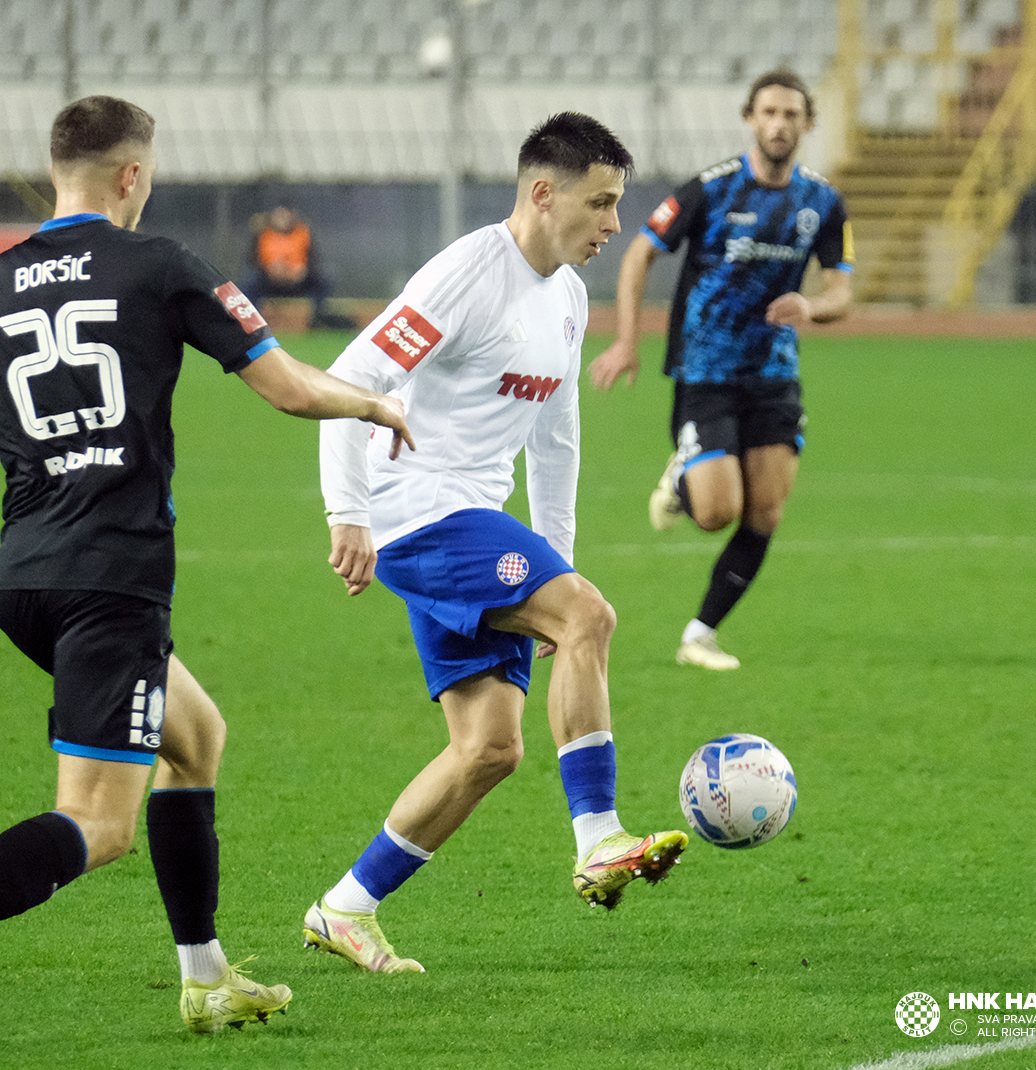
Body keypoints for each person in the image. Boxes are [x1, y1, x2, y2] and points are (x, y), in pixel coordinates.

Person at [0, 96, 413, 1053]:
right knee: (99, 823)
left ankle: (206, 977)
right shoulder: (161, 265)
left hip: (27, 578)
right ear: (133, 175)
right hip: (111, 581)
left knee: (196, 736)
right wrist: (372, 403)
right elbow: (289, 386)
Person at [304, 112, 687, 975]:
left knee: (489, 749)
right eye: (602, 203)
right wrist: (347, 512)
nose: (614, 225)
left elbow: (556, 441)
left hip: (475, 517)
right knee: (590, 618)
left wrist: (559, 566)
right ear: (543, 194)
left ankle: (345, 909)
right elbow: (351, 378)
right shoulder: (468, 274)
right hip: (418, 511)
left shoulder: (569, 297)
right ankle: (598, 839)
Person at [589, 69, 853, 671]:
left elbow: (843, 292)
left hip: (774, 375)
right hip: (705, 371)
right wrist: (628, 340)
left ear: (807, 124)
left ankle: (699, 634)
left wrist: (811, 306)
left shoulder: (823, 201)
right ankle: (682, 477)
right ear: (749, 119)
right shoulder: (709, 189)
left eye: (791, 115)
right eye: (769, 113)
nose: (779, 124)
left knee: (766, 512)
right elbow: (639, 253)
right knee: (715, 514)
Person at [238, 205, 354, 330]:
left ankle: (316, 320)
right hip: (269, 281)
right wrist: (269, 269)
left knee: (324, 280)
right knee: (249, 282)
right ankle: (251, 324)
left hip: (297, 282)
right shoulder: (263, 233)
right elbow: (252, 259)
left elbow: (314, 259)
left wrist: (302, 270)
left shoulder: (302, 233)